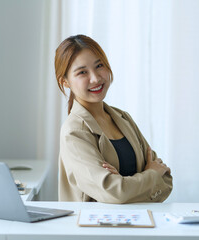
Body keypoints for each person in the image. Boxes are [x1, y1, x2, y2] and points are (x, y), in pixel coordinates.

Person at [55, 35, 173, 203]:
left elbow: (166, 180)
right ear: (65, 81)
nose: (95, 78)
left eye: (99, 66)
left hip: (139, 225)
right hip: (95, 227)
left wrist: (124, 186)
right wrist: (150, 175)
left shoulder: (123, 118)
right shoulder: (74, 132)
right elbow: (116, 192)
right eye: (82, 72)